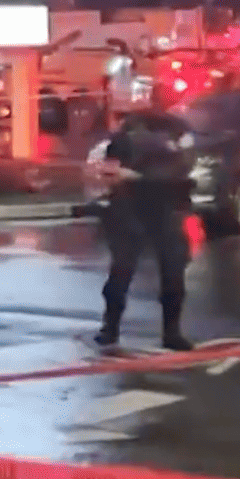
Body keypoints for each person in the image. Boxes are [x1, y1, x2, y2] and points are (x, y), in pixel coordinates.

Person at [91, 107, 197, 351]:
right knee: (172, 273)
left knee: (122, 270)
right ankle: (172, 333)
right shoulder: (178, 140)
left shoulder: (121, 140)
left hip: (129, 209)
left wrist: (130, 178)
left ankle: (110, 329)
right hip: (166, 210)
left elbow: (111, 174)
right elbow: (184, 174)